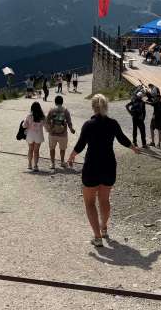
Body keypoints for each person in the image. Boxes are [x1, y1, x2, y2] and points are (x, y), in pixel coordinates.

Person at [68, 94, 139, 247]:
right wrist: (134, 148)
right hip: (108, 165)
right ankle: (104, 228)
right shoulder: (113, 124)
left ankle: (97, 237)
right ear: (106, 106)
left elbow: (80, 145)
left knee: (89, 202)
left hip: (92, 166)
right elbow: (122, 138)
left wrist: (72, 156)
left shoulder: (88, 125)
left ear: (93, 107)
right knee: (104, 200)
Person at [45, 95, 76, 170]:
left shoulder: (51, 110)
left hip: (52, 133)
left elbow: (47, 120)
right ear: (62, 102)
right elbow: (69, 121)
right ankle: (62, 162)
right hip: (63, 134)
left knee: (52, 148)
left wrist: (49, 128)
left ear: (55, 102)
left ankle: (52, 164)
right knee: (62, 149)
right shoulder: (65, 110)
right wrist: (71, 129)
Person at [24, 101, 45, 171]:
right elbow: (46, 125)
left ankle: (29, 164)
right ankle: (35, 165)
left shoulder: (29, 116)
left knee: (30, 149)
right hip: (38, 135)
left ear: (32, 108)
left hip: (30, 135)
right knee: (36, 151)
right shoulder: (42, 117)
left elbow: (24, 125)